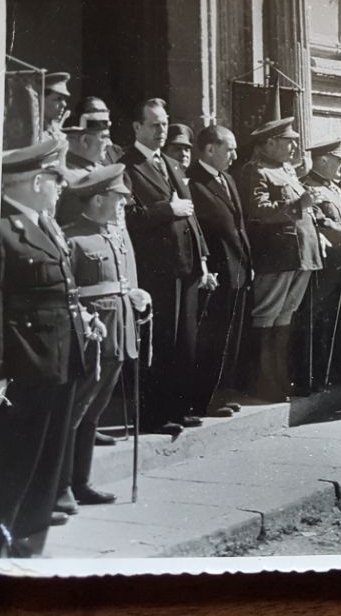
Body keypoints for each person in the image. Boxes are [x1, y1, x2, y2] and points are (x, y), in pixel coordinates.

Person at [0, 139, 102, 558]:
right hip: (23, 368)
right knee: (14, 466)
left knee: (46, 466)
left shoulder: (43, 224)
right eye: (54, 178)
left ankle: (26, 547)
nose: (60, 186)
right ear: (35, 181)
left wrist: (83, 321)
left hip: (60, 361)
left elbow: (59, 292)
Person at [119, 98, 217, 435]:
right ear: (137, 127)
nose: (161, 131)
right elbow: (128, 217)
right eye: (154, 125)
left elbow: (190, 215)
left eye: (164, 124)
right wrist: (166, 209)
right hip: (157, 269)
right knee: (160, 343)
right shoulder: (127, 167)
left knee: (184, 341)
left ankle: (179, 406)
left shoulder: (170, 164)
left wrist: (202, 257)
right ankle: (154, 415)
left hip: (187, 265)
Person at [59, 164, 150, 511]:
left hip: (120, 336)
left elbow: (122, 285)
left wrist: (138, 298)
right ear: (98, 199)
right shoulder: (73, 239)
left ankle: (81, 483)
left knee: (93, 413)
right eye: (118, 197)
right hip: (91, 339)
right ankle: (62, 487)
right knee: (75, 412)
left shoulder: (117, 237)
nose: (124, 203)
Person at [238, 115, 321, 402]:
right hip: (277, 255)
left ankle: (280, 378)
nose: (294, 148)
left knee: (285, 316)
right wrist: (298, 203)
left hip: (301, 254)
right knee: (267, 314)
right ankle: (263, 381)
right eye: (288, 142)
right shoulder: (256, 171)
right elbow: (259, 211)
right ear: (269, 143)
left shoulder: (287, 170)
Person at [186, 125, 253, 416]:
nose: (234, 156)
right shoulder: (192, 182)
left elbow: (239, 226)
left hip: (237, 269)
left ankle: (222, 393)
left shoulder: (227, 179)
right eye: (230, 149)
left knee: (230, 339)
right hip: (215, 273)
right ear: (210, 149)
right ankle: (204, 398)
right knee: (211, 339)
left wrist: (248, 263)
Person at [294, 139, 341, 395]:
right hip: (322, 263)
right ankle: (306, 377)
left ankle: (324, 374)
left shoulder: (331, 187)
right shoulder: (307, 186)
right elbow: (318, 221)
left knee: (330, 321)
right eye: (338, 161)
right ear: (323, 160)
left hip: (339, 262)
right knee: (312, 319)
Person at [56, 97, 114, 226]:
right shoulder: (65, 177)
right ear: (84, 141)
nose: (110, 143)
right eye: (104, 137)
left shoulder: (102, 170)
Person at [42, 72, 72, 145]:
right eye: (58, 99)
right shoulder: (32, 132)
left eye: (64, 100)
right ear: (41, 100)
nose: (64, 104)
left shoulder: (56, 130)